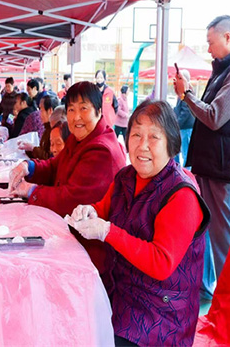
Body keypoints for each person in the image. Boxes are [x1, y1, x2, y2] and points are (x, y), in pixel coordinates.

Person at [68, 99, 210, 347]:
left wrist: (108, 231)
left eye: (153, 137)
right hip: (120, 293)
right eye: (136, 135)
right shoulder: (126, 176)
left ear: (171, 144)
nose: (142, 145)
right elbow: (105, 208)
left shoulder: (182, 195)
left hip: (160, 316)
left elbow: (161, 262)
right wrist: (89, 211)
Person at [173, 15, 230, 301]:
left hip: (224, 168)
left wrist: (187, 95)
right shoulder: (225, 69)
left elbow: (215, 116)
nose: (208, 49)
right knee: (206, 231)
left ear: (228, 37)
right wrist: (191, 94)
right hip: (213, 164)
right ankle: (208, 291)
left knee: (223, 239)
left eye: (211, 42)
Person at [8, 81, 125, 226]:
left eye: (83, 108)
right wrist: (29, 167)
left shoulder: (102, 150)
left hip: (88, 235)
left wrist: (32, 191)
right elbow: (54, 166)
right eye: (71, 110)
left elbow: (72, 199)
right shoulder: (79, 138)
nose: (76, 117)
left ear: (99, 111)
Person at [173, 70, 195, 167]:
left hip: (186, 127)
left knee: (186, 152)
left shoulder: (187, 92)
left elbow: (185, 112)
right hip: (184, 127)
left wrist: (176, 124)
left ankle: (186, 172)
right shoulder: (183, 92)